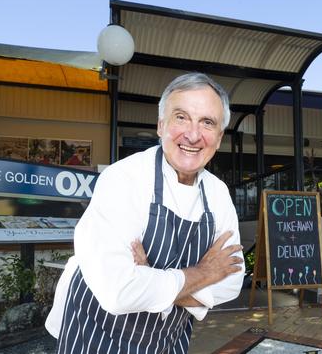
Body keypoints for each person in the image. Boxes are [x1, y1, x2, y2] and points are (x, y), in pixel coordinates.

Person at [45, 73, 245, 353]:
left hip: (168, 340)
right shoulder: (123, 179)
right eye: (181, 117)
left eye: (207, 122)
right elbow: (118, 291)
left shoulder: (218, 194)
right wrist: (203, 273)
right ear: (161, 126)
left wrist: (150, 276)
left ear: (219, 137)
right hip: (97, 334)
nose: (193, 134)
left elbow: (232, 282)